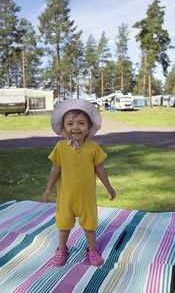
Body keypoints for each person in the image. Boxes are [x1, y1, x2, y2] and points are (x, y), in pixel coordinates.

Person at [43, 99, 116, 267]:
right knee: (64, 225)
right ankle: (62, 249)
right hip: (66, 197)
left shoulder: (93, 147)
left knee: (89, 225)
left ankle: (92, 250)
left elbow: (100, 168)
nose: (75, 127)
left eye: (81, 123)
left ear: (89, 127)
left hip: (86, 197)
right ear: (63, 128)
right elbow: (55, 169)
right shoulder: (60, 147)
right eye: (70, 123)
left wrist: (108, 186)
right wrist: (48, 189)